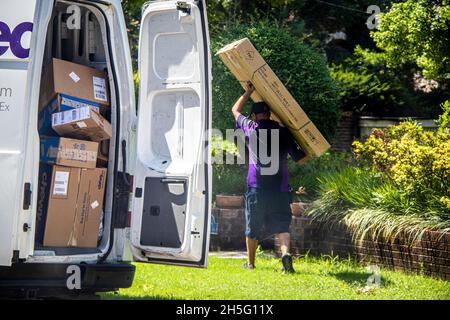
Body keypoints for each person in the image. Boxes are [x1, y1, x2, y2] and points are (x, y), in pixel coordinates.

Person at [232, 82, 309, 274]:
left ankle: (250, 263)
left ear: (255, 116)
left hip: (256, 188)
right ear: (269, 114)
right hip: (281, 190)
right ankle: (285, 255)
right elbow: (300, 159)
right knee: (282, 225)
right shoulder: (284, 132)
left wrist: (248, 92)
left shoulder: (251, 127)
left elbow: (234, 110)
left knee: (253, 226)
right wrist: (312, 149)